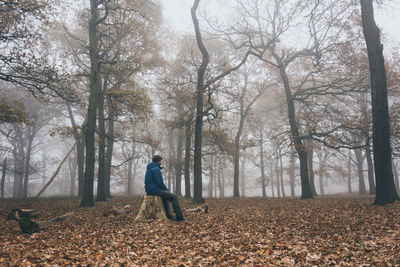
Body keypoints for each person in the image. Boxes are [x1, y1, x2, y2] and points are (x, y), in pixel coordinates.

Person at [145, 155, 185, 221]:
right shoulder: (155, 169)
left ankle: (168, 217)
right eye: (161, 160)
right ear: (158, 161)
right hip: (153, 190)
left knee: (165, 198)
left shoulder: (151, 167)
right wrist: (166, 189)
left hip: (151, 189)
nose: (162, 161)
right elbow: (159, 183)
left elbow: (157, 182)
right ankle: (180, 218)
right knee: (173, 197)